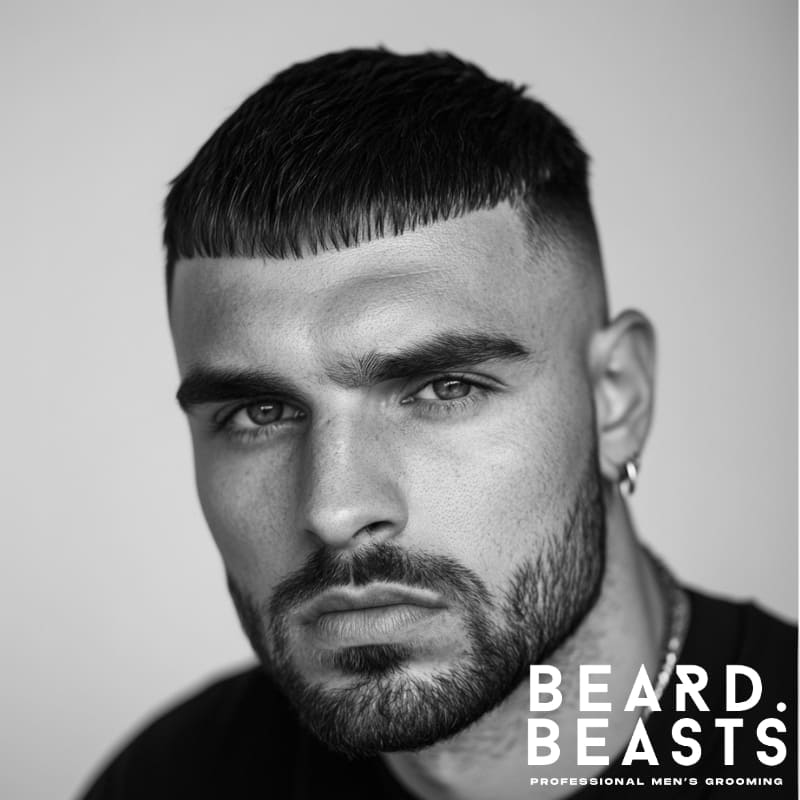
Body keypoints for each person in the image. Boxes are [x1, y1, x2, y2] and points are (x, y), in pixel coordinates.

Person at [80, 48, 796, 799]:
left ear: (617, 397)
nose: (335, 511)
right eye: (261, 413)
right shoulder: (172, 780)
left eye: (443, 388)